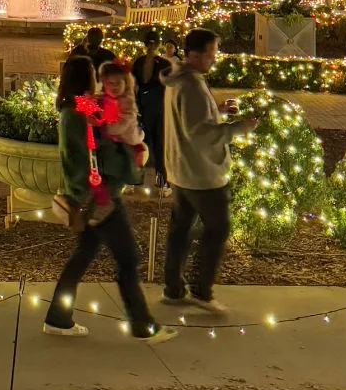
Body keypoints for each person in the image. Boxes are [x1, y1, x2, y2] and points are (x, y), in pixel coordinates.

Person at [42, 56, 176, 344]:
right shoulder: (77, 114)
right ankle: (142, 326)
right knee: (128, 259)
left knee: (83, 257)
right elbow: (89, 159)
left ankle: (58, 318)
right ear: (84, 79)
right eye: (93, 75)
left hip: (94, 196)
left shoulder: (76, 108)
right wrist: (129, 160)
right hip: (101, 198)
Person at [160, 28, 258, 313]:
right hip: (201, 174)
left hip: (181, 169)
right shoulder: (191, 85)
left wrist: (217, 111)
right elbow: (201, 134)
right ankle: (201, 290)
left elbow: (192, 120)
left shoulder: (178, 80)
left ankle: (174, 288)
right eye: (210, 53)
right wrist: (239, 128)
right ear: (193, 54)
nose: (214, 58)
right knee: (217, 228)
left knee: (180, 231)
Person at [131, 30, 172, 187]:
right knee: (158, 145)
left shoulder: (139, 62)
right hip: (158, 108)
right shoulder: (164, 64)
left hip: (145, 107)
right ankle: (161, 181)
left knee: (141, 145)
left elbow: (134, 85)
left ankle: (137, 179)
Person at [97, 61, 150, 172]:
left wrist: (105, 127)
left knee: (129, 166)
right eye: (110, 83)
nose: (114, 86)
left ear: (126, 83)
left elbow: (122, 123)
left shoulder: (127, 102)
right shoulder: (105, 99)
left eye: (118, 83)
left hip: (128, 141)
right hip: (114, 141)